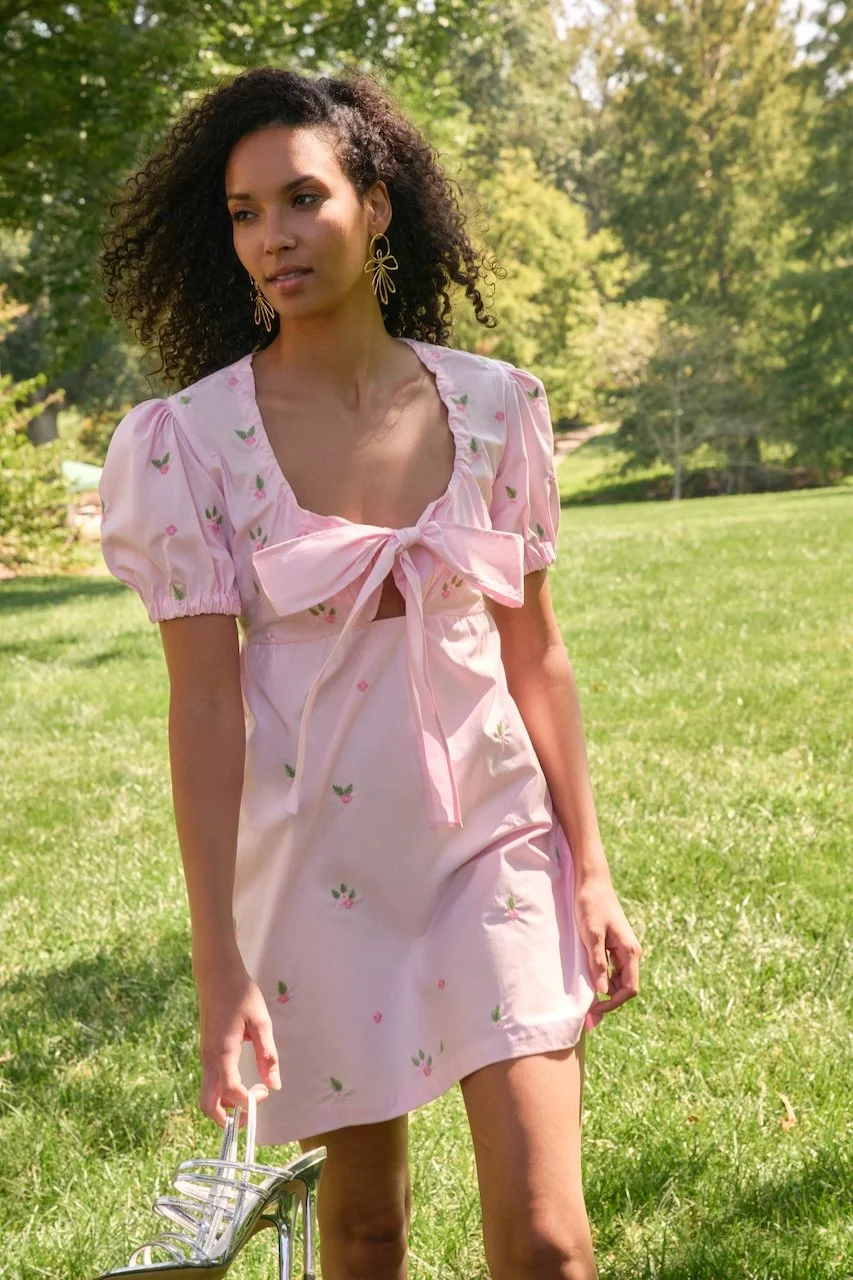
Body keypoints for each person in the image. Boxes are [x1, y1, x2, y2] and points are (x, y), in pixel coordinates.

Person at [98, 65, 641, 1280]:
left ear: (377, 203)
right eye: (244, 213)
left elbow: (535, 651)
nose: (274, 237)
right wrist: (218, 960)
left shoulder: (497, 407)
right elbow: (201, 704)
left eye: (302, 197)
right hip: (315, 867)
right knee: (363, 1230)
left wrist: (590, 869)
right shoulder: (190, 441)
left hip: (491, 838)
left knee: (551, 1240)